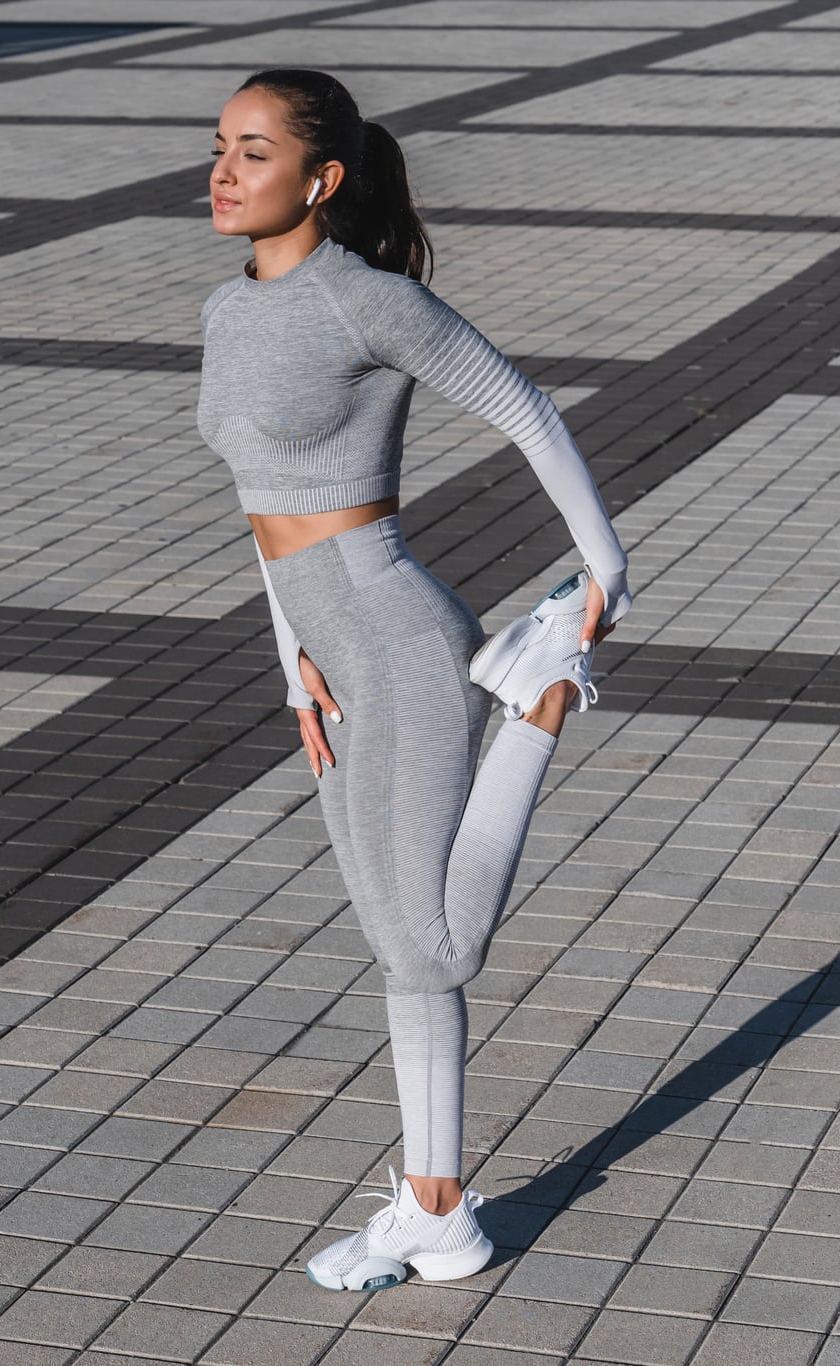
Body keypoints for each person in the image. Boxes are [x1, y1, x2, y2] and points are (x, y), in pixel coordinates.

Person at [198, 69, 633, 1291]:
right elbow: (259, 507)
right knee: (399, 953)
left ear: (320, 179)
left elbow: (525, 407)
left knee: (431, 945)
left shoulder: (363, 302)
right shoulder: (228, 311)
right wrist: (290, 662)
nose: (224, 171)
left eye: (253, 151)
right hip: (330, 652)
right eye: (219, 147)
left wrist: (605, 570)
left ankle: (539, 703)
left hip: (395, 634)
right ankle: (435, 1210)